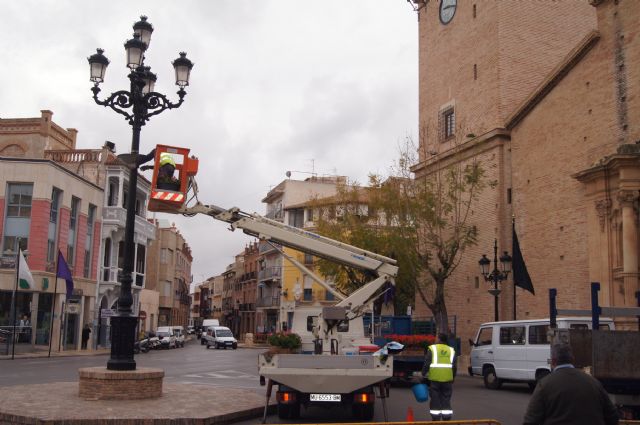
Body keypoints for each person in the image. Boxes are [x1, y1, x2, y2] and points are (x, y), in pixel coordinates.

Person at [523, 343, 618, 425]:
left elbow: (530, 421)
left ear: (553, 361)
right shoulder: (594, 383)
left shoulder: (544, 385)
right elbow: (612, 416)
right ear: (572, 359)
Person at [422, 333, 456, 421]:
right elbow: (454, 366)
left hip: (435, 379)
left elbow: (427, 362)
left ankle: (436, 419)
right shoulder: (451, 350)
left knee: (435, 399)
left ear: (440, 339)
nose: (435, 339)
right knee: (446, 398)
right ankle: (446, 418)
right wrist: (453, 377)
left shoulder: (432, 349)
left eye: (436, 338)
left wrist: (423, 373)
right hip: (448, 379)